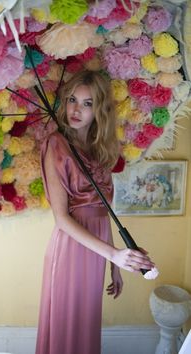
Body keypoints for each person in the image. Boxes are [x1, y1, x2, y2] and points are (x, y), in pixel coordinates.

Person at [35, 70, 155, 354]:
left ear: (98, 109)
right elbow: (62, 219)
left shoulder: (99, 150)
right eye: (73, 100)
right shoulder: (56, 144)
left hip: (98, 249)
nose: (77, 109)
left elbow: (103, 211)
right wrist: (113, 254)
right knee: (68, 324)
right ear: (64, 102)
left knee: (87, 321)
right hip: (72, 247)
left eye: (87, 103)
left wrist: (114, 262)